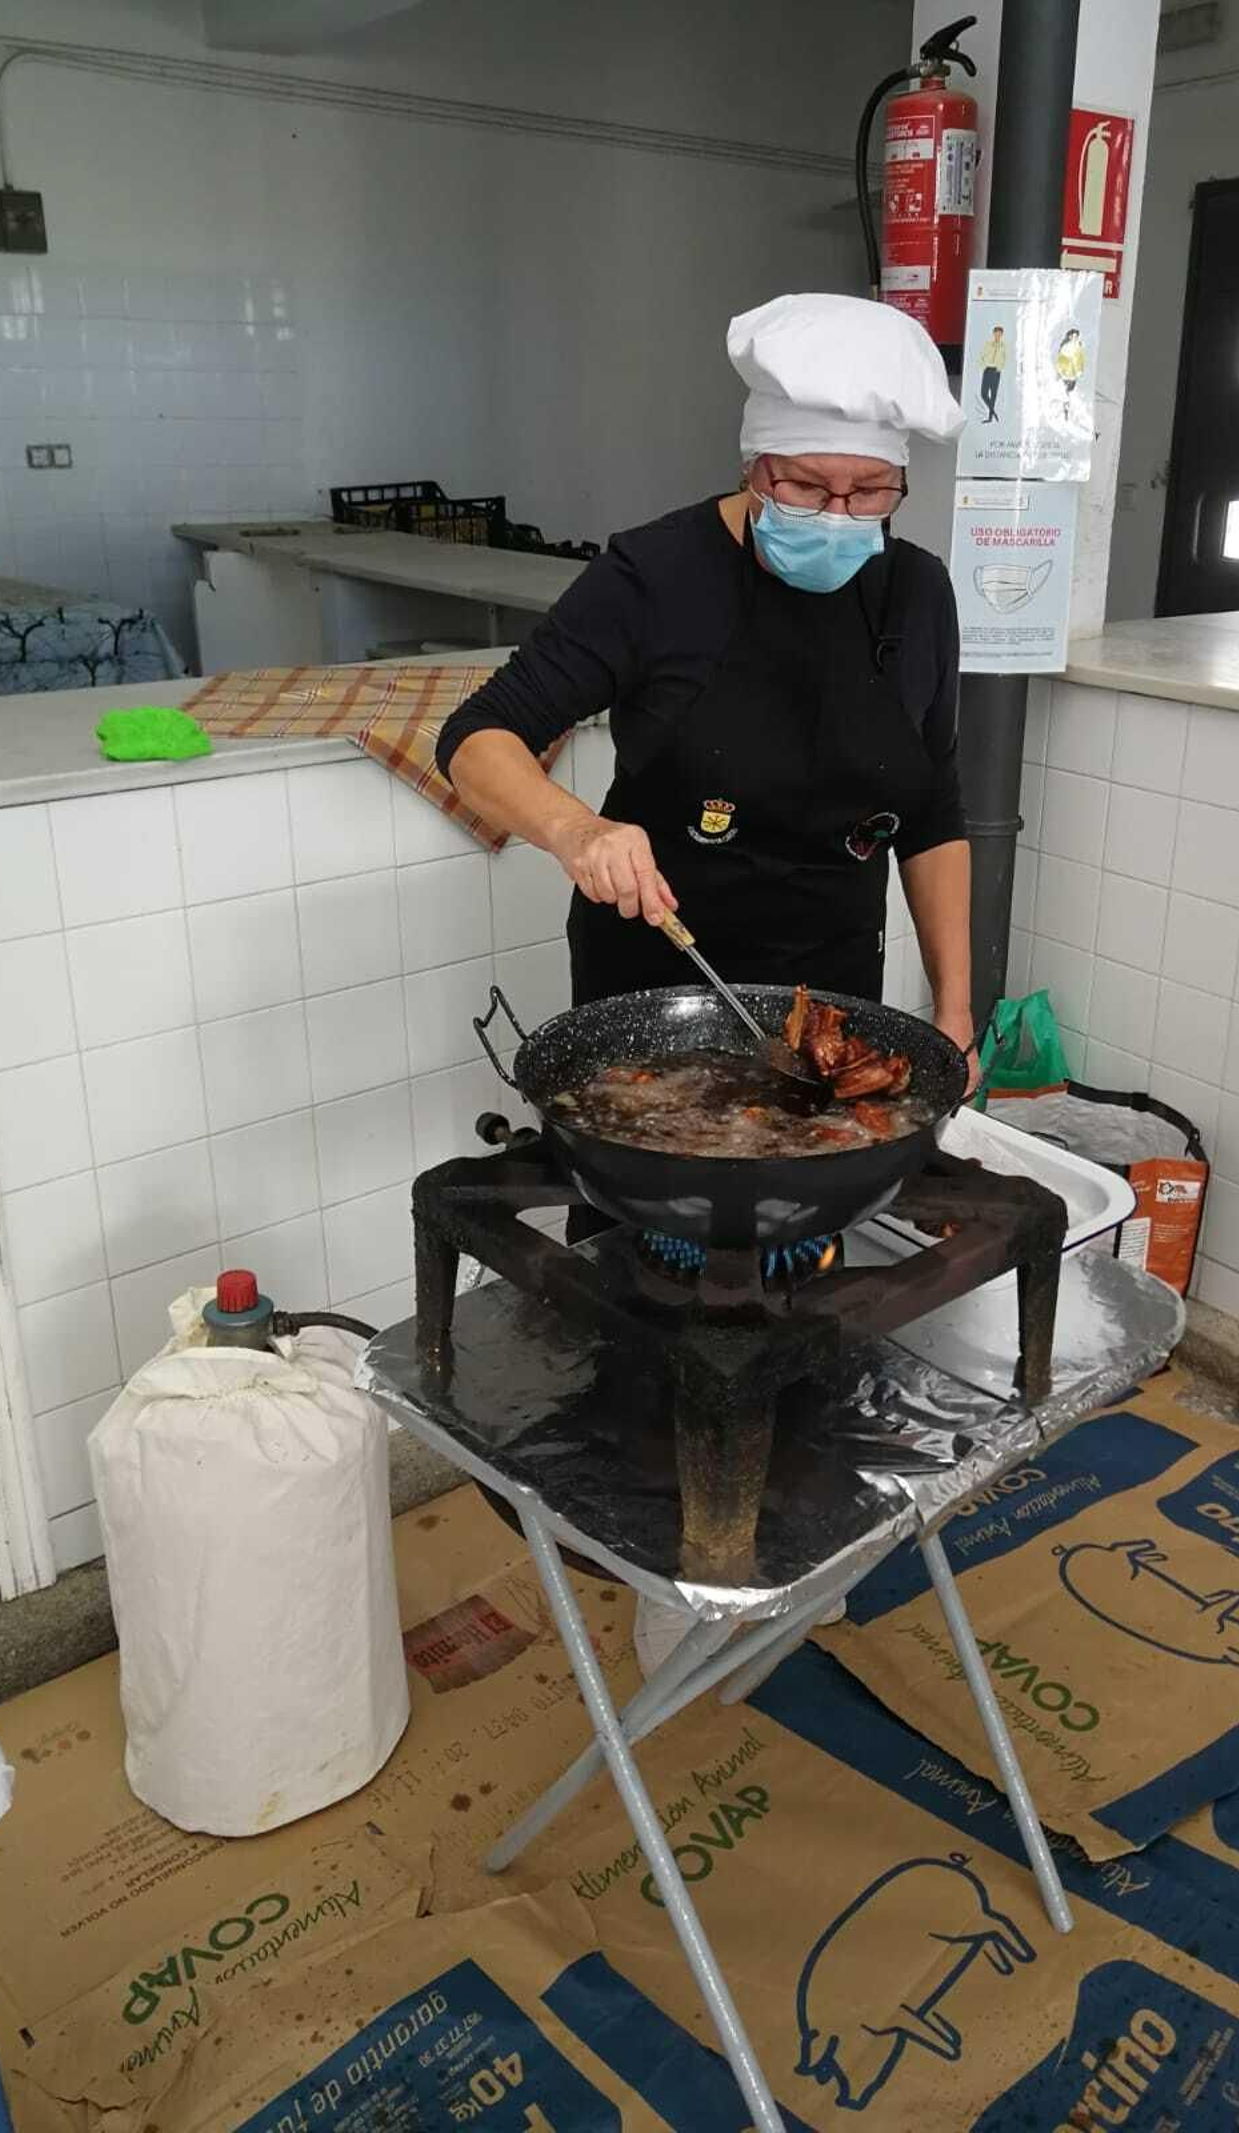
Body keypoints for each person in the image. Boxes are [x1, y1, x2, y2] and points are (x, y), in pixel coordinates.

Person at [437, 291, 978, 1673]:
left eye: (871, 493)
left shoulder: (914, 590)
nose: (840, 515)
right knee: (668, 1270)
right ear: (756, 467)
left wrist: (957, 1011)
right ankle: (661, 1539)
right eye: (810, 485)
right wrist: (576, 828)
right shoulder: (656, 574)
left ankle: (790, 1519)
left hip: (825, 990)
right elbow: (482, 738)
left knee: (801, 1265)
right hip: (655, 990)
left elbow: (938, 813)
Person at [979, 324, 1007, 423]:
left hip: (996, 372)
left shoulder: (1003, 346)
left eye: (1000, 334)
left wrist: (999, 368)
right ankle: (993, 412)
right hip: (987, 370)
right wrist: (983, 366)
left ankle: (990, 418)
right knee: (983, 394)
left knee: (993, 395)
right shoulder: (987, 344)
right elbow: (981, 355)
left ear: (1002, 335)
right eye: (996, 334)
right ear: (993, 334)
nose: (998, 336)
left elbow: (1004, 359)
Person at [1055, 326, 1085, 406]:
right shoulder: (1066, 346)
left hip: (1072, 374)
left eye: (1076, 336)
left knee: (1069, 390)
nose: (1075, 337)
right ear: (1070, 336)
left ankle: (1066, 403)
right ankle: (1065, 404)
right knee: (1066, 390)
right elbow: (1061, 359)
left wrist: (1080, 370)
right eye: (1074, 336)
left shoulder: (1077, 346)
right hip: (1067, 373)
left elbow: (1080, 359)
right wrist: (1060, 371)